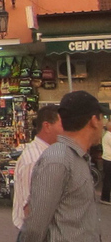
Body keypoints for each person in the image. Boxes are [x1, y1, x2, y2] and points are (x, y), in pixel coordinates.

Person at [21, 91, 108, 242]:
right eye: (103, 119)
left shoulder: (77, 158)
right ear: (94, 121)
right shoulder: (57, 160)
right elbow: (35, 227)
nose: (104, 125)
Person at [12, 105, 62, 233]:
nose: (66, 131)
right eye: (62, 125)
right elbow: (31, 208)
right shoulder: (35, 159)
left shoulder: (48, 153)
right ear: (47, 126)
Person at [101, 119, 111, 205]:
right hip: (109, 160)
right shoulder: (109, 136)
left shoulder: (107, 135)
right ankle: (105, 198)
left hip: (107, 159)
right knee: (107, 180)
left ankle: (105, 197)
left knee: (107, 179)